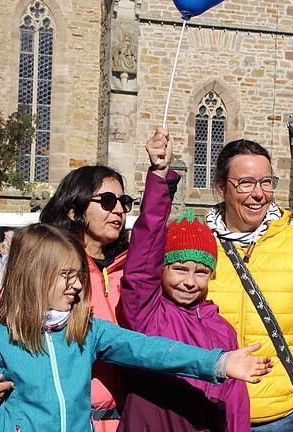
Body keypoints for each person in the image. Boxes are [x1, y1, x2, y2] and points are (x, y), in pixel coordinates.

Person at [0, 223, 273, 432]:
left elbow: (151, 350)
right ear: (34, 276)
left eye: (79, 275)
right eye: (67, 275)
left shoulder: (86, 330)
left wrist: (218, 362)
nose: (77, 285)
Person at [0, 165, 134, 431]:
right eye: (107, 201)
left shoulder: (129, 271)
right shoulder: (44, 273)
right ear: (74, 210)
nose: (118, 209)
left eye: (124, 202)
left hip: (126, 421)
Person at [118, 127, 252, 431]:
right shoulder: (148, 315)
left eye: (201, 271)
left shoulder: (223, 330)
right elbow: (143, 256)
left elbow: (235, 403)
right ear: (161, 269)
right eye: (179, 268)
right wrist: (158, 178)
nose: (189, 281)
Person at [204, 139, 293, 431]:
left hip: (274, 420)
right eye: (245, 183)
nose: (258, 194)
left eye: (266, 182)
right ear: (220, 187)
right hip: (205, 413)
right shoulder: (198, 243)